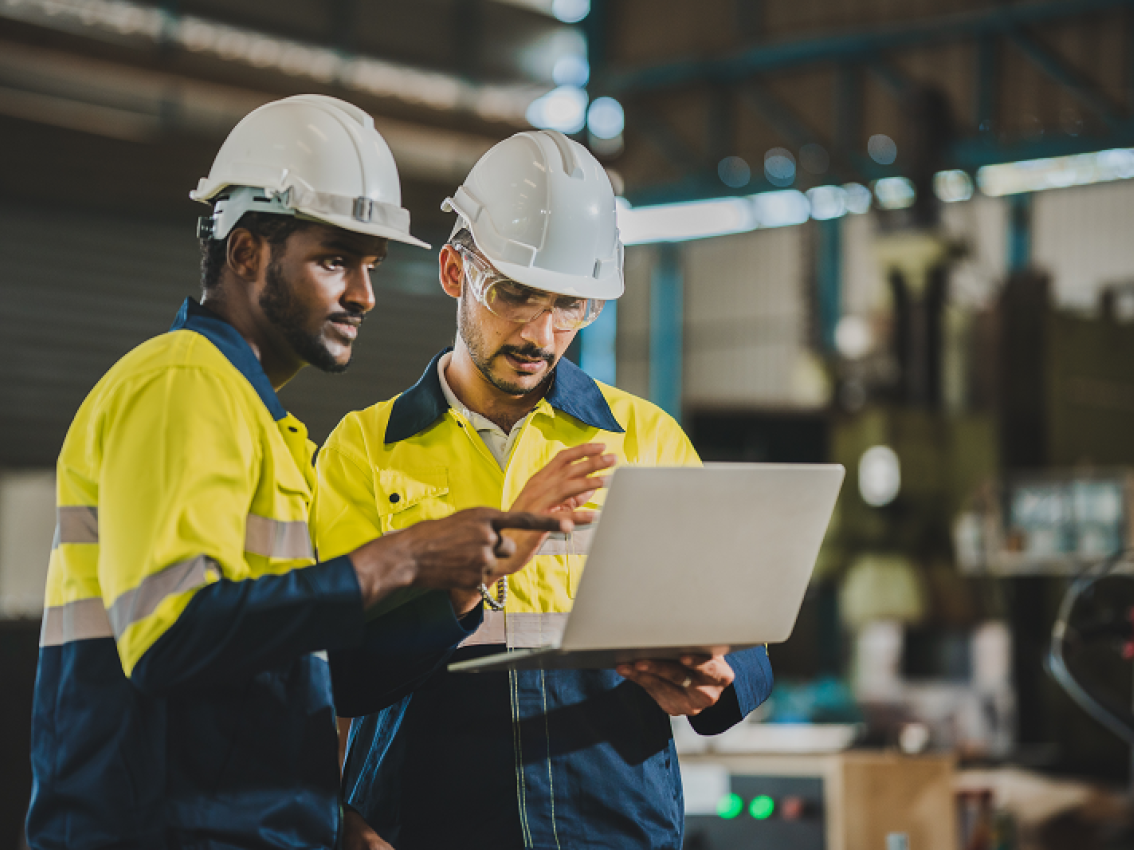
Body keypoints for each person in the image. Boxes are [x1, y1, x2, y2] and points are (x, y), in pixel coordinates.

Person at [25, 94, 571, 850]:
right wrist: (405, 556)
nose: (364, 295)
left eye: (370, 266)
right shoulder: (184, 382)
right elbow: (171, 639)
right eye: (334, 261)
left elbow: (271, 668)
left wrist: (329, 821)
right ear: (246, 252)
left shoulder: (265, 426)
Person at [314, 129, 774, 850]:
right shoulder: (364, 451)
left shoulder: (644, 439)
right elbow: (340, 669)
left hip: (615, 828)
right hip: (423, 827)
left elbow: (744, 642)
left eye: (572, 305)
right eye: (515, 294)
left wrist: (719, 680)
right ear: (452, 271)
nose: (542, 331)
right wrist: (483, 560)